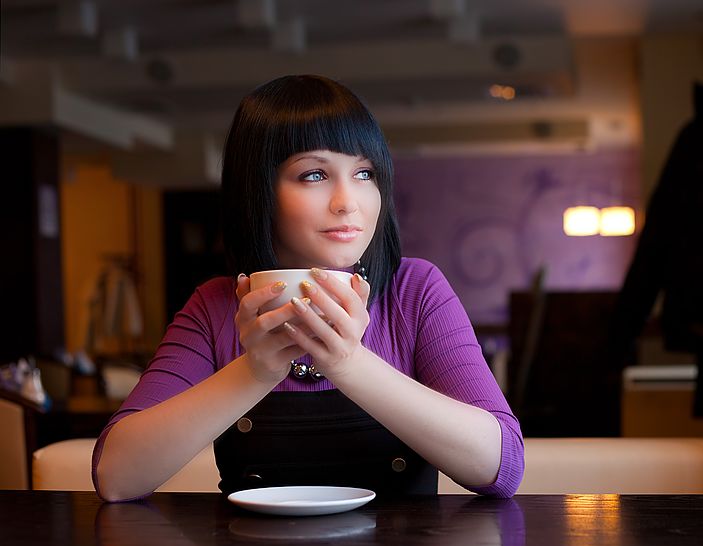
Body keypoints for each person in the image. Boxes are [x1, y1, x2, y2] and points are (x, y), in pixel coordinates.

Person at [92, 74, 524, 502]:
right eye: (314, 175)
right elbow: (117, 477)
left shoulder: (414, 291)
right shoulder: (216, 305)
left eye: (364, 172)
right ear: (259, 189)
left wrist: (350, 364)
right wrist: (254, 371)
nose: (347, 201)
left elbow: (500, 469)